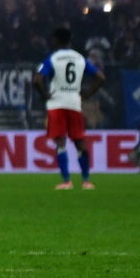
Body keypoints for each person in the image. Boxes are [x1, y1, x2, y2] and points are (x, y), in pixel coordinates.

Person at [35, 26, 103, 192]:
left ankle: (66, 181)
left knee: (60, 143)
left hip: (57, 103)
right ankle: (86, 181)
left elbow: (37, 79)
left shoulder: (53, 58)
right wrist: (86, 94)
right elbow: (101, 77)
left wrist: (45, 95)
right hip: (74, 102)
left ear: (57, 40)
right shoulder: (79, 58)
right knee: (80, 142)